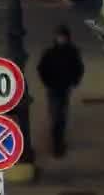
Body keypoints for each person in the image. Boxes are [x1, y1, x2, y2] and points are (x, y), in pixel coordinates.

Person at [37, 25, 86, 157]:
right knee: (57, 115)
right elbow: (42, 68)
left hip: (64, 88)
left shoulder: (72, 52)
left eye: (63, 37)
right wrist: (47, 82)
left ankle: (58, 141)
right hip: (53, 88)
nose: (61, 39)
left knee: (61, 116)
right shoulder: (50, 52)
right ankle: (57, 144)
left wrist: (74, 81)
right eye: (59, 36)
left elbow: (79, 68)